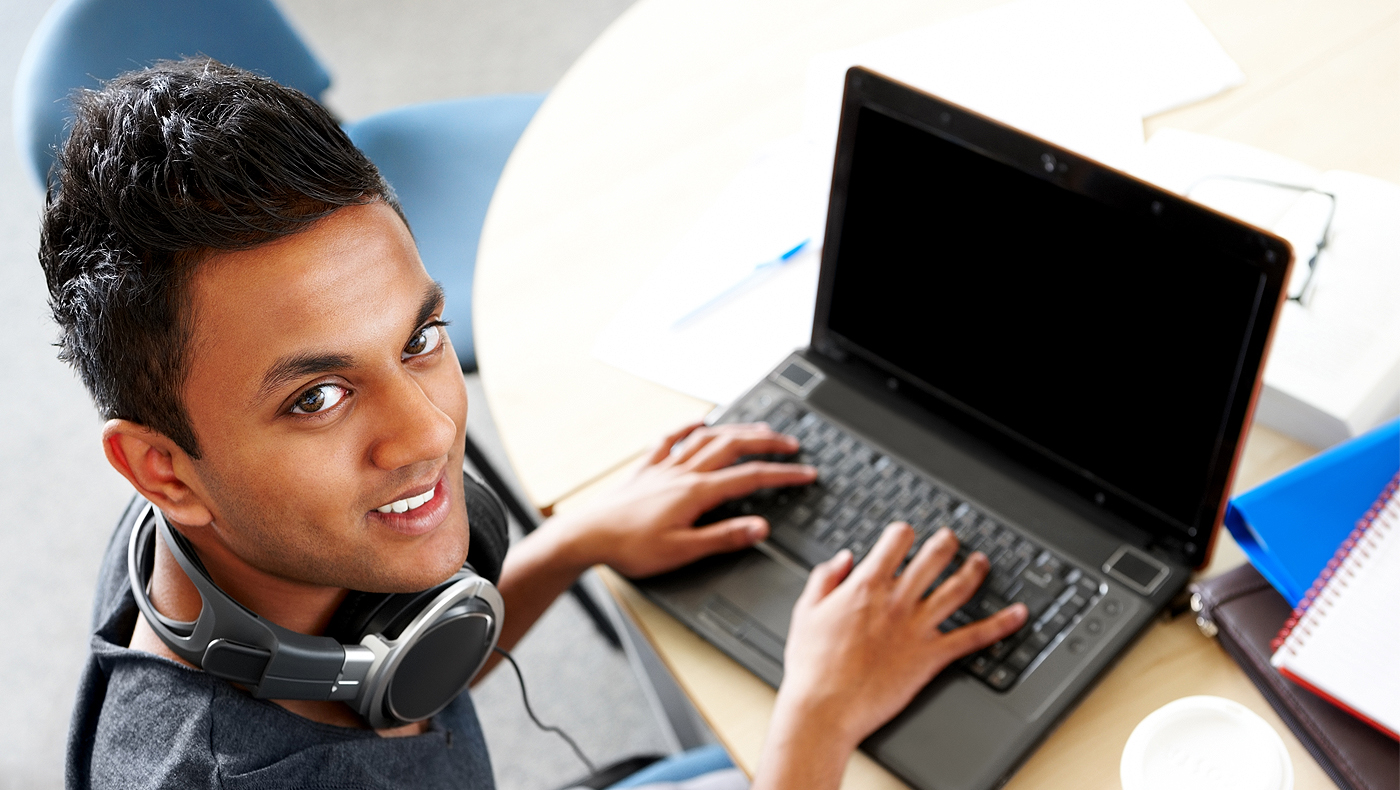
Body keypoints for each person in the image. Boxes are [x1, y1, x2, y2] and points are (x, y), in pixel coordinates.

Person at [42, 58, 1027, 790]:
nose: (425, 433)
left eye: (419, 337)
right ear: (160, 468)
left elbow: (397, 659)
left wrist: (573, 543)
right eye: (318, 398)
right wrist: (819, 716)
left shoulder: (187, 556)